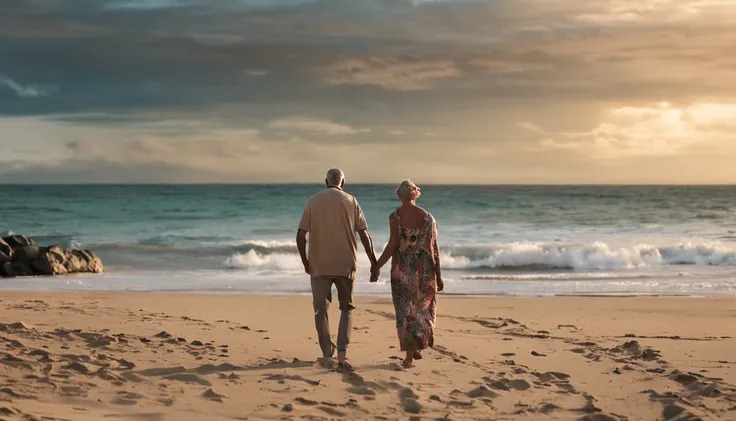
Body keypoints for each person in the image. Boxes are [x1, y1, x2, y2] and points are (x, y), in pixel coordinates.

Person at [296, 168, 377, 369]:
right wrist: (374, 262)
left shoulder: (313, 200)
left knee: (320, 310)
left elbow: (300, 235)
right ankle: (342, 353)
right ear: (344, 182)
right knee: (346, 307)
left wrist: (305, 261)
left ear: (326, 181)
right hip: (345, 263)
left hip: (319, 263)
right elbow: (365, 235)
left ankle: (326, 353)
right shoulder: (351, 201)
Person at [371, 180, 443, 368]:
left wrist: (377, 265)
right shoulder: (429, 218)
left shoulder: (395, 217)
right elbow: (434, 248)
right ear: (415, 194)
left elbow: (393, 244)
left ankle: (409, 356)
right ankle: (416, 346)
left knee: (405, 310)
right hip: (425, 269)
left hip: (402, 269)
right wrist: (439, 274)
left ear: (399, 195)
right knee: (422, 310)